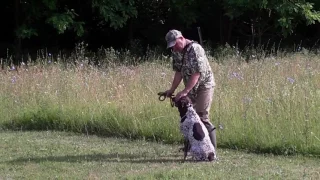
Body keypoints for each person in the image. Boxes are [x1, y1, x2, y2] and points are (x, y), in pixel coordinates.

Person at [164, 29, 217, 149]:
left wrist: (185, 91)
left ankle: (212, 151)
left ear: (181, 38)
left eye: (175, 45)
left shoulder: (195, 49)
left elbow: (196, 74)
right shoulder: (176, 52)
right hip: (191, 86)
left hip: (204, 85)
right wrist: (171, 90)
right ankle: (189, 147)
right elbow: (178, 72)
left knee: (202, 116)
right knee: (188, 117)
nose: (174, 48)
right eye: (171, 46)